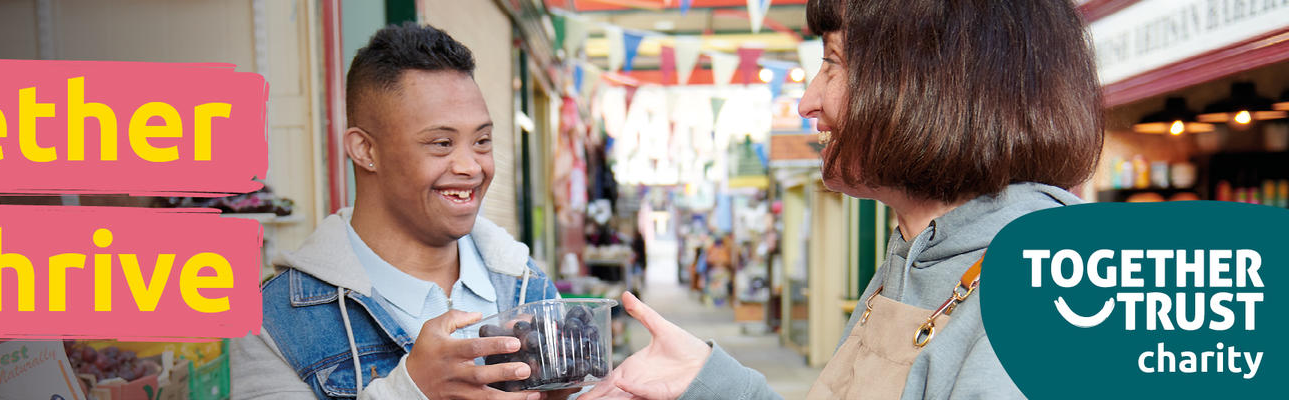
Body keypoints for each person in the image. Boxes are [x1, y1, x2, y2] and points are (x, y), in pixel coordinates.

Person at [580, 0, 1102, 399]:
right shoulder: (916, 255)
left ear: (930, 82)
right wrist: (709, 380)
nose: (808, 100)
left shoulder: (1048, 298)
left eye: (832, 63)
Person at [231, 23, 570, 399]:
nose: (472, 167)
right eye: (442, 143)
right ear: (365, 150)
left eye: (482, 141)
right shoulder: (271, 322)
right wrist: (412, 390)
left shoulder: (527, 286)